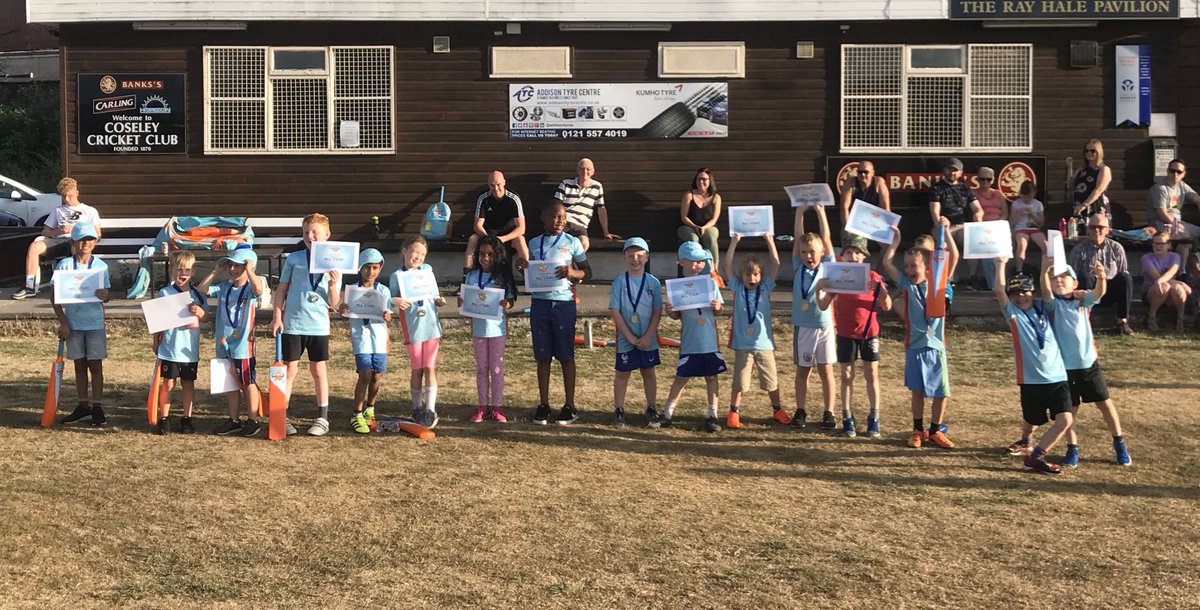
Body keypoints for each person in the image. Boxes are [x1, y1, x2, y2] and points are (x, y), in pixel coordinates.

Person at [1030, 259, 1133, 466]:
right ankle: (1072, 447)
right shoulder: (1053, 304)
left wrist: (1101, 277)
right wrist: (1044, 272)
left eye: (1064, 277)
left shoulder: (1082, 301)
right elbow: (1045, 290)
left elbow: (1098, 293)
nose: (1059, 280)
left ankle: (1120, 443)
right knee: (1071, 410)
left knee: (1105, 404)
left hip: (1088, 365)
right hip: (1064, 369)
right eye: (1054, 278)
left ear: (1075, 283)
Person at [881, 221, 958, 449]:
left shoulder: (939, 283)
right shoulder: (907, 284)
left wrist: (947, 232)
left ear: (927, 267)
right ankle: (917, 430)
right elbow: (886, 263)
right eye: (906, 266)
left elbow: (953, 257)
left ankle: (934, 430)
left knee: (941, 392)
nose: (909, 270)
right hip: (914, 346)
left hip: (936, 346)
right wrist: (895, 241)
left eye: (913, 265)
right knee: (917, 392)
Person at [992, 261, 1074, 475]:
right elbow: (999, 290)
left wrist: (1045, 271)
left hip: (1057, 377)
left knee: (1065, 420)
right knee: (1031, 419)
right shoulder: (1012, 313)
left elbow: (1048, 292)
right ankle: (1026, 440)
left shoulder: (1044, 307)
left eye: (1025, 291)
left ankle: (1035, 457)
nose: (1021, 297)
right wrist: (1000, 264)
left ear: (1033, 292)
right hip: (1030, 379)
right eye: (1015, 294)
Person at [515, 202, 593, 425]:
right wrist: (522, 268)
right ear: (544, 217)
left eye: (564, 217)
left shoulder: (572, 242)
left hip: (563, 304)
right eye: (556, 216)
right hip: (540, 304)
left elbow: (587, 271)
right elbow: (533, 270)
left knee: (566, 355)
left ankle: (570, 405)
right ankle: (544, 404)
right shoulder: (533, 243)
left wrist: (572, 272)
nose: (560, 221)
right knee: (542, 356)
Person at [271, 213, 342, 436]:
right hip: (292, 324)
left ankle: (322, 417)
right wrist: (277, 316)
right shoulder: (294, 258)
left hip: (318, 326)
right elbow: (281, 289)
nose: (310, 236)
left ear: (327, 235)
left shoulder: (336, 261)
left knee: (318, 369)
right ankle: (281, 415)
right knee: (289, 370)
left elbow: (334, 302)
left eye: (315, 232)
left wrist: (333, 285)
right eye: (305, 232)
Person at [818, 233, 892, 438]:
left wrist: (882, 292)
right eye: (849, 252)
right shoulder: (837, 275)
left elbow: (887, 306)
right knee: (846, 375)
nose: (853, 256)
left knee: (871, 374)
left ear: (865, 256)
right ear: (843, 256)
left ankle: (874, 417)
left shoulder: (873, 276)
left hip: (869, 332)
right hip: (845, 333)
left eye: (858, 253)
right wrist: (818, 290)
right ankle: (847, 417)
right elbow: (823, 305)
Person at [653, 242, 726, 432]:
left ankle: (712, 415)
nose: (698, 264)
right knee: (681, 377)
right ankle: (667, 413)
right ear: (681, 262)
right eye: (694, 261)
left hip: (709, 340)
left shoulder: (710, 283)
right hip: (690, 341)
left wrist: (718, 307)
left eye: (701, 261)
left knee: (712, 377)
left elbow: (719, 311)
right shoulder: (676, 288)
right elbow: (676, 315)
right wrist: (670, 311)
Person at [721, 232, 786, 429]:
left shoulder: (765, 287)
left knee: (771, 380)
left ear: (761, 276)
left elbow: (776, 264)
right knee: (740, 382)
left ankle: (777, 409)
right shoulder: (737, 288)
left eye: (756, 274)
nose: (752, 278)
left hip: (764, 344)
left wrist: (769, 241)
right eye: (748, 274)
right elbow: (727, 265)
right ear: (741, 276)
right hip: (743, 344)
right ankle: (734, 411)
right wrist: (734, 242)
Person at [202, 248, 266, 437]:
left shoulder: (250, 288)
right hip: (223, 342)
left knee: (247, 382)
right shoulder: (224, 286)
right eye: (230, 265)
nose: (232, 269)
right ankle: (234, 420)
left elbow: (258, 289)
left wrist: (250, 270)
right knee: (229, 383)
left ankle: (253, 420)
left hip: (243, 345)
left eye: (238, 266)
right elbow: (202, 290)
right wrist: (216, 271)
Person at [52, 223, 111, 426]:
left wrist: (106, 295)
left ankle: (97, 406)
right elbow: (55, 297)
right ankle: (83, 405)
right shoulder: (64, 265)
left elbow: (106, 295)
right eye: (81, 239)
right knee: (79, 365)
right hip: (73, 324)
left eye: (89, 239)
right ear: (73, 242)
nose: (85, 243)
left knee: (95, 365)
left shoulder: (101, 266)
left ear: (95, 242)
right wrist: (63, 322)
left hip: (95, 324)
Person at [390, 235, 447, 429]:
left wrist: (439, 300)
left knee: (429, 367)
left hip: (431, 326)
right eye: (415, 252)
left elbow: (434, 294)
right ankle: (416, 407)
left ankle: (430, 409)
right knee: (417, 369)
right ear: (404, 251)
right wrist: (396, 300)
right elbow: (391, 298)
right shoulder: (397, 275)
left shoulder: (427, 270)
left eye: (423, 254)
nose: (418, 257)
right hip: (413, 328)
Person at [461, 235, 518, 423]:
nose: (485, 258)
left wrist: (507, 304)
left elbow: (510, 300)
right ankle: (482, 406)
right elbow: (466, 299)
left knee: (496, 367)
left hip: (497, 330)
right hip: (478, 329)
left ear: (498, 256)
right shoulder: (472, 276)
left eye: (490, 254)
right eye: (482, 254)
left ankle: (497, 406)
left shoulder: (502, 277)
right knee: (481, 368)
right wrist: (462, 302)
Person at [14, 177, 102, 300]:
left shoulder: (89, 211)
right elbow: (45, 231)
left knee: (77, 246)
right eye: (64, 196)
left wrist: (78, 231)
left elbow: (97, 234)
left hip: (77, 240)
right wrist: (59, 231)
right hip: (58, 240)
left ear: (77, 193)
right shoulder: (58, 211)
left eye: (70, 196)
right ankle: (30, 285)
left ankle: (78, 285)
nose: (67, 199)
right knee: (34, 246)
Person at [790, 203, 837, 429]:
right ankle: (801, 410)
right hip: (803, 326)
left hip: (824, 325)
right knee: (803, 370)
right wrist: (800, 212)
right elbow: (798, 237)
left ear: (822, 252)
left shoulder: (828, 266)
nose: (808, 256)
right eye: (804, 252)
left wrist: (820, 212)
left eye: (812, 252)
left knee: (826, 370)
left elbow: (826, 239)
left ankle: (829, 412)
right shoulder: (797, 266)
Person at [151, 251, 207, 435]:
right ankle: (164, 418)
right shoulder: (165, 292)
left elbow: (206, 317)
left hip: (189, 349)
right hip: (170, 347)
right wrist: (155, 341)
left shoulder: (198, 294)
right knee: (168, 384)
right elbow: (158, 319)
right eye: (179, 269)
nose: (183, 273)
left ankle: (187, 418)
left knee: (188, 384)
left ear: (193, 271)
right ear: (171, 270)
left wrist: (200, 313)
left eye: (187, 270)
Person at [609, 237, 663, 426]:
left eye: (640, 255)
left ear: (647, 257)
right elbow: (614, 309)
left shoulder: (653, 282)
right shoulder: (619, 282)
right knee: (623, 373)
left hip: (648, 336)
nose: (635, 259)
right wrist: (629, 335)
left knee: (648, 371)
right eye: (630, 255)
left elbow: (657, 310)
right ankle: (619, 409)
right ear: (624, 257)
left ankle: (651, 407)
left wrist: (648, 335)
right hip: (626, 336)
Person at [339, 248, 393, 434]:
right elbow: (345, 311)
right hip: (361, 337)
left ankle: (370, 408)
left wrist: (387, 316)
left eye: (375, 268)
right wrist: (343, 309)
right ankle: (357, 413)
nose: (371, 272)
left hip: (379, 338)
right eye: (367, 267)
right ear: (360, 268)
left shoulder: (383, 290)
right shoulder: (352, 290)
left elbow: (388, 313)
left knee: (377, 375)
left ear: (380, 268)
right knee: (365, 375)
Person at [1068, 214, 1134, 334]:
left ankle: (1122, 321)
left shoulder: (1117, 248)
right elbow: (1071, 276)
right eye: (1092, 227)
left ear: (1107, 230)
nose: (1096, 230)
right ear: (1088, 229)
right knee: (1085, 276)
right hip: (1090, 292)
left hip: (1110, 291)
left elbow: (1122, 270)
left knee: (1125, 277)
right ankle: (1084, 319)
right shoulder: (1078, 250)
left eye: (1100, 227)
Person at [464, 170, 529, 275]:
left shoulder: (514, 198)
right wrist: (488, 238)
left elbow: (521, 228)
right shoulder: (483, 198)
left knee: (520, 240)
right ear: (488, 185)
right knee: (473, 239)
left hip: (509, 235)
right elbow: (477, 225)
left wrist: (502, 239)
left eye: (498, 185)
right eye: (492, 185)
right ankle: (466, 277)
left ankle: (528, 275)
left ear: (504, 182)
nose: (496, 189)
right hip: (489, 234)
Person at [928, 158, 978, 284]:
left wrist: (978, 215)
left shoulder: (965, 188)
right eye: (950, 169)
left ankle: (972, 276)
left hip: (961, 226)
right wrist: (941, 227)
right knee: (943, 245)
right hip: (943, 227)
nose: (952, 173)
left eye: (955, 170)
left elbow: (977, 208)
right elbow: (935, 212)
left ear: (961, 173)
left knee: (972, 242)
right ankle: (948, 278)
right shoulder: (936, 188)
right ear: (945, 170)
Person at [554, 157, 618, 251]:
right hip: (563, 222)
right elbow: (556, 205)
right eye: (582, 168)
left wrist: (606, 232)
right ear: (577, 170)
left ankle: (575, 260)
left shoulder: (597, 186)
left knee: (584, 243)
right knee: (559, 245)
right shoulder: (566, 183)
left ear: (593, 171)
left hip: (580, 226)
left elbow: (601, 209)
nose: (585, 171)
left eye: (588, 169)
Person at [1147, 158, 1200, 264]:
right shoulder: (1160, 188)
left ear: (1183, 174)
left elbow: (1197, 199)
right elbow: (1162, 214)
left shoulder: (1181, 186)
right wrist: (1178, 225)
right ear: (1167, 171)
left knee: (1191, 238)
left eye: (1179, 172)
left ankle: (1189, 265)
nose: (1175, 174)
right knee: (1184, 237)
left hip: (1177, 223)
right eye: (1172, 171)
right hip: (1160, 224)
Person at [1140, 231, 1191, 332]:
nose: (1158, 246)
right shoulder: (1146, 258)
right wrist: (1180, 283)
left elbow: (1172, 272)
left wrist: (1179, 285)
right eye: (1155, 243)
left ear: (1168, 245)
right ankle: (1151, 316)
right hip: (1152, 293)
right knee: (1164, 286)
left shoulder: (1175, 256)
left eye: (1161, 243)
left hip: (1170, 294)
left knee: (1178, 289)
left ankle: (1180, 317)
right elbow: (1158, 279)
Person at [677, 167, 723, 273]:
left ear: (710, 181)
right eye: (699, 179)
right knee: (693, 239)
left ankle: (713, 269)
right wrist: (696, 227)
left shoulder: (716, 197)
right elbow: (684, 217)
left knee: (711, 237)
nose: (701, 182)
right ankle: (693, 269)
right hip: (688, 226)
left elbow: (714, 219)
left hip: (709, 226)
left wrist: (704, 227)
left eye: (704, 179)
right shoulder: (689, 195)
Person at [973, 166, 1008, 289]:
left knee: (1000, 255)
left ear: (993, 180)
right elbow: (975, 212)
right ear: (977, 179)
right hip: (983, 229)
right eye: (982, 179)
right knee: (987, 256)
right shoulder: (973, 194)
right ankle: (993, 286)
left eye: (988, 179)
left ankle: (1001, 284)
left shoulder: (998, 194)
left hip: (998, 227)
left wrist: (999, 224)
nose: (985, 182)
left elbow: (1005, 212)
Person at [1009, 180, 1046, 278]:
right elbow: (1011, 222)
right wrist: (1019, 214)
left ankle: (1045, 270)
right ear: (1021, 194)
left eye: (1029, 197)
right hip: (1020, 228)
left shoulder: (1038, 204)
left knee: (1045, 244)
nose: (1027, 199)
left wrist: (1033, 213)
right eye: (1024, 197)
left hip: (1034, 228)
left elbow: (1041, 223)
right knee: (1022, 244)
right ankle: (1019, 271)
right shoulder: (1016, 204)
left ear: (1034, 194)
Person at [838, 159, 891, 225]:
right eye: (860, 172)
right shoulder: (850, 182)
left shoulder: (879, 182)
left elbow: (886, 208)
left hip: (873, 221)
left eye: (866, 172)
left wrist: (888, 226)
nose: (863, 174)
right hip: (854, 221)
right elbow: (844, 207)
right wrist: (847, 226)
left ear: (872, 173)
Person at [1072, 138, 1113, 219]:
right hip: (1079, 207)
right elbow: (1072, 186)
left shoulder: (1103, 169)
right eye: (1086, 151)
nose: (1089, 153)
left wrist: (1084, 205)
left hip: (1095, 206)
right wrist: (1074, 174)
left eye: (1092, 151)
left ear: (1098, 152)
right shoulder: (1082, 170)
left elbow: (1099, 189)